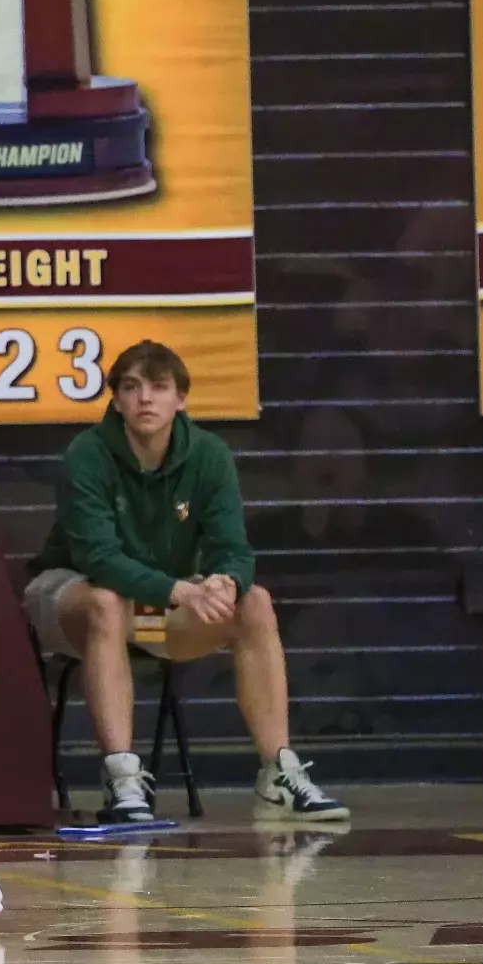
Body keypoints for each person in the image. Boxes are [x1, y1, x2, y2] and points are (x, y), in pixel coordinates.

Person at [23, 340, 350, 825]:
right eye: (131, 387)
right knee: (105, 602)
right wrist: (181, 591)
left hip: (152, 616)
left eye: (158, 387)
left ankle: (279, 773)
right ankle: (122, 780)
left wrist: (226, 581)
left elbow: (233, 547)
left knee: (254, 602)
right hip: (73, 598)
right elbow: (99, 558)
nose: (145, 399)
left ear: (180, 399)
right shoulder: (87, 453)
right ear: (116, 399)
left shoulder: (208, 454)